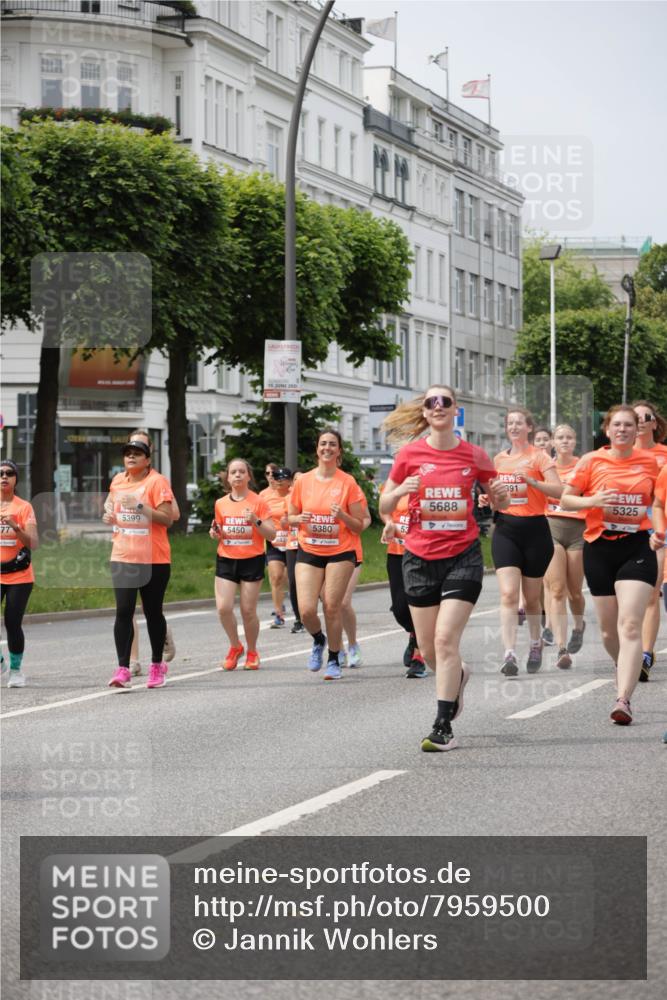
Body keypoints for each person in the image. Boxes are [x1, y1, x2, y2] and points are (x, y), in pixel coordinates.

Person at [381, 386, 509, 752]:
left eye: (445, 402)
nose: (438, 407)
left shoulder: (474, 455)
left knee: (444, 640)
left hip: (462, 556)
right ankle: (460, 676)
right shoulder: (409, 455)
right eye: (431, 402)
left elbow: (499, 498)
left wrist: (498, 494)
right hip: (419, 557)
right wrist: (399, 490)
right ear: (424, 412)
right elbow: (384, 503)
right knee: (428, 648)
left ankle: (442, 726)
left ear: (456, 410)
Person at [560, 405, 660, 725]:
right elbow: (566, 499)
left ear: (637, 431)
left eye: (628, 425)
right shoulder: (592, 461)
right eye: (616, 425)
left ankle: (623, 698)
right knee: (608, 631)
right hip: (599, 547)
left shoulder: (652, 463)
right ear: (607, 430)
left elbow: (661, 502)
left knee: (629, 624)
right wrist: (591, 502)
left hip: (638, 546)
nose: (622, 430)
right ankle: (625, 669)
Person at [489, 407, 563, 677]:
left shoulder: (540, 457)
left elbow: (559, 491)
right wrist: (488, 499)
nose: (515, 427)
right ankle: (509, 652)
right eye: (510, 423)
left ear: (529, 428)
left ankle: (535, 643)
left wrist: (532, 481)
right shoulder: (498, 459)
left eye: (520, 423)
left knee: (532, 600)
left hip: (535, 530)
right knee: (509, 594)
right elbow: (496, 495)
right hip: (506, 529)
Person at [288, 429, 365, 681]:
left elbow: (361, 523)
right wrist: (298, 519)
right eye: (323, 444)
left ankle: (334, 658)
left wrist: (342, 516)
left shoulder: (347, 483)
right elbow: (288, 517)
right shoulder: (303, 481)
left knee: (332, 606)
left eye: (332, 444)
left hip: (340, 551)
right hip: (309, 549)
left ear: (339, 450)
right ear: (317, 449)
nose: (327, 448)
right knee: (306, 610)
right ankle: (319, 640)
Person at [102, 438, 175, 689]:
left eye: (137, 453)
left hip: (153, 558)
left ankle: (157, 665)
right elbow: (111, 508)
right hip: (123, 555)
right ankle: (122, 668)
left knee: (153, 612)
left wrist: (141, 506)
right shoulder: (117, 481)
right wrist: (108, 514)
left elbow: (167, 519)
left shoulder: (156, 482)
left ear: (147, 460)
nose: (131, 457)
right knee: (123, 611)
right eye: (127, 454)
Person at [211, 458, 276, 671]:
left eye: (241, 471)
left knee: (248, 610)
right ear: (228, 478)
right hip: (227, 559)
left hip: (252, 559)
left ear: (249, 476)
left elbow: (272, 534)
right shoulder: (220, 503)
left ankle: (252, 651)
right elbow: (218, 528)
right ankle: (235, 646)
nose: (237, 475)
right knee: (223, 608)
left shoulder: (258, 502)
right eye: (233, 472)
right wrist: (215, 532)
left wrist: (256, 521)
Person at [544, 425, 587, 669]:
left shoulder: (583, 465)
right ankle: (561, 648)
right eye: (560, 437)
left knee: (575, 591)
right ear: (553, 442)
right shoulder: (547, 467)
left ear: (574, 442)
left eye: (569, 437)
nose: (565, 441)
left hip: (578, 531)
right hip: (551, 528)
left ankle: (579, 626)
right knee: (557, 589)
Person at [632, 400, 667, 680]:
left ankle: (645, 652)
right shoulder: (620, 455)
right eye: (636, 417)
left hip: (659, 526)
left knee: (652, 590)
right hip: (628, 526)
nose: (641, 421)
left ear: (655, 423)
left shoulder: (664, 455)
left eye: (646, 417)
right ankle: (630, 647)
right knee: (629, 594)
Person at [380, 491, 427, 678]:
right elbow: (384, 510)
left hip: (423, 554)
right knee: (400, 608)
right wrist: (388, 522)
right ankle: (414, 633)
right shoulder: (393, 484)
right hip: (397, 552)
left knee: (419, 603)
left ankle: (418, 657)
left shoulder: (429, 482)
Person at [0, 460, 39, 688]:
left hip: (19, 575)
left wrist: (16, 527)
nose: (4, 477)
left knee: (12, 623)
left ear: (16, 479)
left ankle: (16, 671)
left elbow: (33, 542)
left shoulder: (23, 507)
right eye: (1, 473)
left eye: (9, 473)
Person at [339, 496, 372, 668]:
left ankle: (352, 645)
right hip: (321, 554)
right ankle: (337, 649)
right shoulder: (311, 487)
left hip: (350, 552)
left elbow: (366, 519)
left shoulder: (351, 489)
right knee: (330, 604)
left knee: (343, 602)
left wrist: (355, 526)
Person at [261, 466, 293, 629]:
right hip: (274, 543)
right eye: (276, 478)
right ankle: (278, 614)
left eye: (282, 479)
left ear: (289, 481)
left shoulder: (294, 495)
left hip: (292, 541)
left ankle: (300, 609)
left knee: (291, 580)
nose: (279, 481)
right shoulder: (265, 497)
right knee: (275, 577)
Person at [285, 470, 305, 633]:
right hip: (292, 544)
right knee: (292, 581)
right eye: (296, 480)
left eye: (302, 479)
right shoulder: (287, 498)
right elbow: (283, 520)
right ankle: (299, 619)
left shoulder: (313, 497)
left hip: (311, 544)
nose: (299, 482)